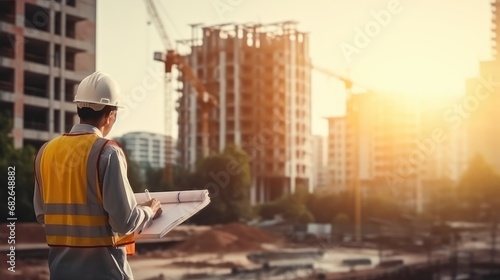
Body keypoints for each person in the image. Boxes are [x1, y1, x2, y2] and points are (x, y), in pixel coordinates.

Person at [33, 71, 162, 280]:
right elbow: (124, 222)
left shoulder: (46, 152)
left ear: (79, 108)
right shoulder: (107, 152)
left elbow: (42, 215)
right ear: (111, 115)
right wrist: (149, 210)